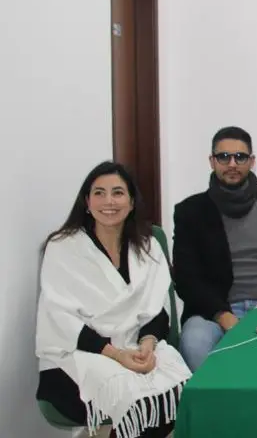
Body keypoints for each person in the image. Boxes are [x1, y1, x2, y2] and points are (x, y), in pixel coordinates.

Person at [36, 162, 190, 438]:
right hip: (77, 357)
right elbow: (60, 318)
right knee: (140, 402)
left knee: (182, 392)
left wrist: (146, 347)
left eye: (118, 193)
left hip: (137, 346)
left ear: (131, 202)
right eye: (99, 193)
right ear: (87, 202)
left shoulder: (148, 245)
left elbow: (158, 308)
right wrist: (117, 355)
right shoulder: (63, 247)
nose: (109, 201)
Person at [173, 126, 257, 371]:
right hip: (216, 313)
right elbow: (186, 278)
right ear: (212, 161)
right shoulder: (190, 211)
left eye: (240, 157)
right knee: (194, 342)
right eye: (223, 157)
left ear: (252, 161)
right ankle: (218, 398)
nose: (232, 164)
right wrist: (223, 315)